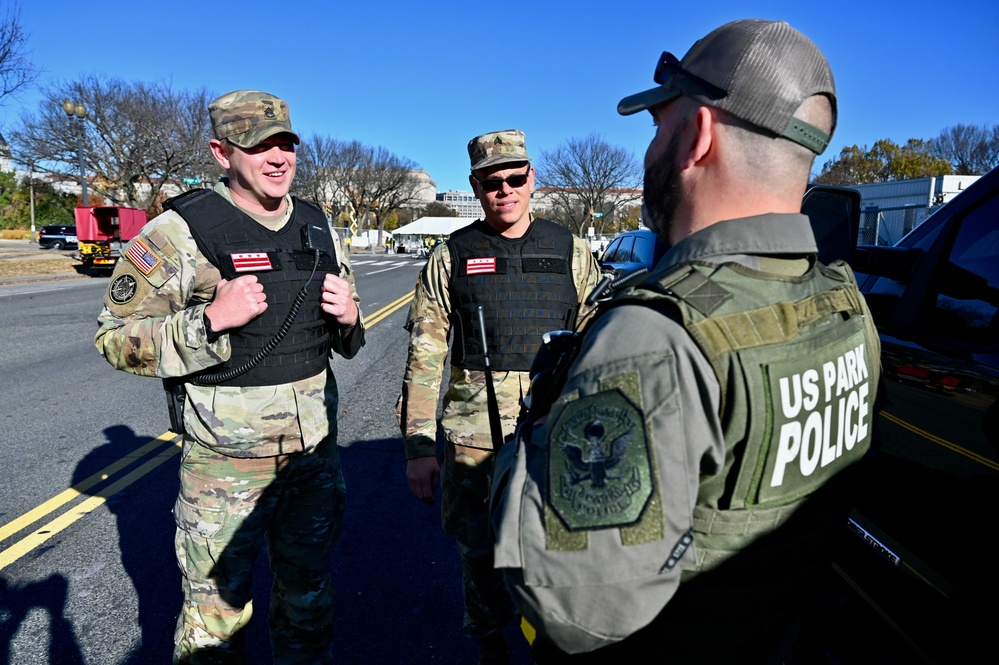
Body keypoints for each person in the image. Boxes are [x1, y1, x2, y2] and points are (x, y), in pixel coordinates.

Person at [490, 19, 881, 664]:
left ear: (697, 135)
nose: (650, 153)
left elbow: (575, 612)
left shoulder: (655, 338)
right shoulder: (843, 304)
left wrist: (522, 455)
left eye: (657, 129)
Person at [95, 89, 364, 664]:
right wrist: (210, 321)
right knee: (214, 625)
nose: (277, 158)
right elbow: (114, 337)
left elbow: (340, 331)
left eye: (285, 144)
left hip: (312, 459)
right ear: (222, 152)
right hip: (224, 468)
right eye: (257, 145)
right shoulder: (179, 232)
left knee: (309, 606)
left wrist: (351, 315)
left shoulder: (318, 224)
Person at [397, 129, 601, 664]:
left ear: (532, 179)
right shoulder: (451, 257)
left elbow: (599, 351)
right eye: (492, 182)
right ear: (476, 185)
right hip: (473, 446)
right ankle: (490, 647)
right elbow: (424, 358)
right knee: (481, 560)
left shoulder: (571, 252)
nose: (505, 190)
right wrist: (419, 448)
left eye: (515, 178)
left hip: (551, 439)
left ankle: (553, 645)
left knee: (554, 553)